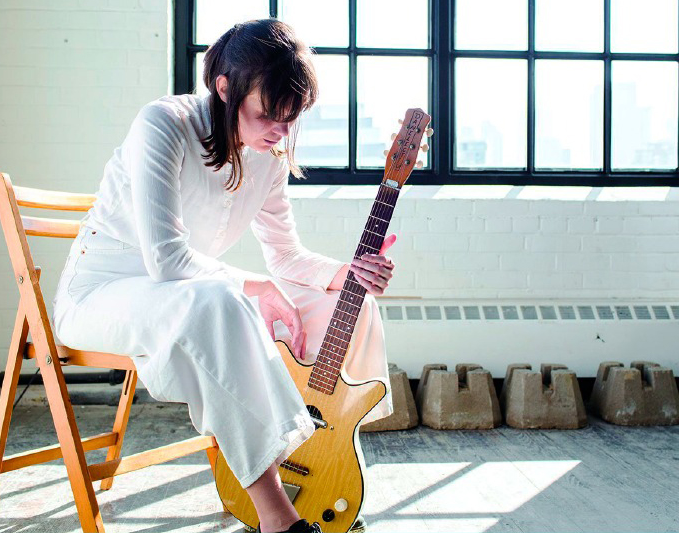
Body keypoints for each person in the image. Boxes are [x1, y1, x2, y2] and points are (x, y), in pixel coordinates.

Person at [52, 18, 428, 533]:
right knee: (220, 300)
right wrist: (253, 288)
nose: (280, 132)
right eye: (268, 115)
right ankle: (278, 517)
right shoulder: (163, 123)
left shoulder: (269, 158)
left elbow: (287, 258)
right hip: (101, 295)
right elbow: (165, 258)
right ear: (224, 87)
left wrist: (346, 273)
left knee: (343, 301)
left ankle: (322, 449)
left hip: (188, 295)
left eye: (292, 119)